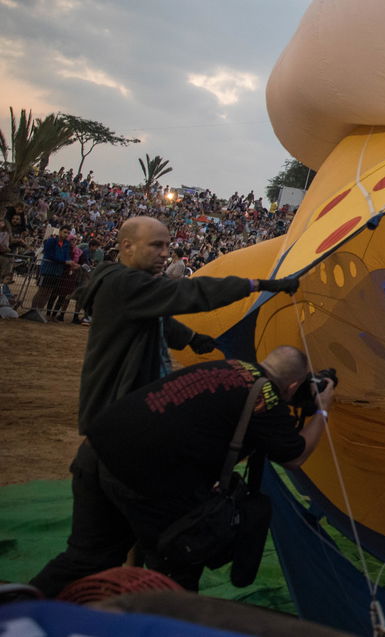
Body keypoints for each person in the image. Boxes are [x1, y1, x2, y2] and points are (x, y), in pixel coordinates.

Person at [30, 345, 334, 595]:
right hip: (146, 476)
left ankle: (17, 612)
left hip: (98, 448)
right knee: (177, 572)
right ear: (293, 385)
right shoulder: (266, 399)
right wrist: (322, 408)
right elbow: (294, 456)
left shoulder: (229, 368)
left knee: (87, 558)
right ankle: (164, 623)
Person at [74, 215, 300, 436]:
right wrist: (259, 284)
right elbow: (191, 292)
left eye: (167, 245)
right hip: (117, 410)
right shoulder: (124, 284)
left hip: (133, 402)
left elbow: (156, 320)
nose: (165, 253)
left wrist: (192, 338)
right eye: (156, 245)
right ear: (127, 246)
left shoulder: (131, 285)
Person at [26, 223, 74, 321]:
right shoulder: (51, 241)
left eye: (68, 233)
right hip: (47, 269)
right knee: (42, 290)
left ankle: (39, 311)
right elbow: (49, 255)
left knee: (48, 292)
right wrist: (65, 261)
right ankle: (33, 310)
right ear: (60, 232)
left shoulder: (67, 244)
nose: (66, 235)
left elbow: (67, 255)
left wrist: (68, 261)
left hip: (57, 271)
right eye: (65, 232)